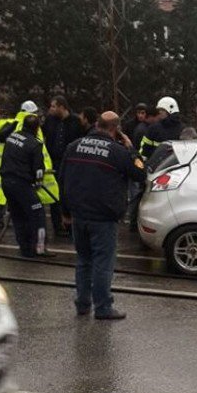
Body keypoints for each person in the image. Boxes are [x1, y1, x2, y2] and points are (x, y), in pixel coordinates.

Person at [59, 111, 145, 320]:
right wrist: (131, 148)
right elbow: (141, 174)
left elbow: (62, 179)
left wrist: (65, 212)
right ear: (116, 129)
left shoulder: (73, 146)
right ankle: (103, 307)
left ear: (97, 124)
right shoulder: (118, 152)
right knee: (103, 263)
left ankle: (82, 303)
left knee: (84, 260)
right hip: (104, 217)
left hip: (79, 215)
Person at [0, 101, 59, 226]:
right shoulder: (32, 125)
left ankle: (3, 218)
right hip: (27, 173)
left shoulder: (12, 124)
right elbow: (38, 150)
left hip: (8, 170)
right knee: (32, 208)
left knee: (12, 201)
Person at [0, 114, 47, 258]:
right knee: (38, 213)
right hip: (21, 184)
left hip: (6, 183)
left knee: (18, 216)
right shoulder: (35, 144)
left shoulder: (12, 137)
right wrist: (38, 184)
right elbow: (39, 170)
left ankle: (25, 248)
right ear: (37, 128)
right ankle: (39, 248)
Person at [44, 94, 83, 236]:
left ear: (62, 107)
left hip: (70, 164)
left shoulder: (75, 122)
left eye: (54, 106)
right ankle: (57, 226)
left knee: (69, 193)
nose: (51, 109)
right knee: (55, 194)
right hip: (53, 163)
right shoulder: (49, 121)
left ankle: (71, 224)